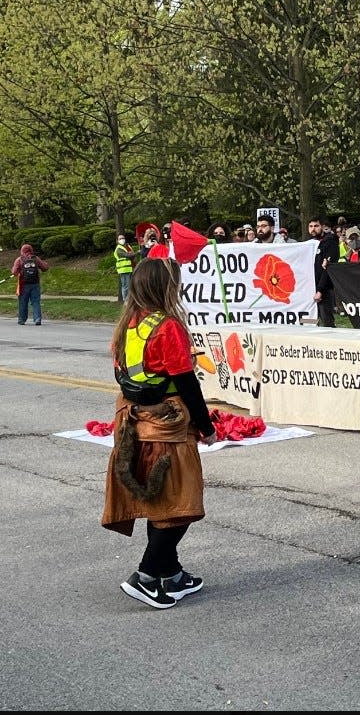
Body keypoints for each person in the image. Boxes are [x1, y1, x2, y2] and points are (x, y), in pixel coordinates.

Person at [101, 258, 218, 608]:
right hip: (166, 427)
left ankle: (173, 573)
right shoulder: (167, 327)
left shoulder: (127, 325)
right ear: (166, 288)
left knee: (159, 501)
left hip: (134, 423)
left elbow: (123, 376)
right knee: (181, 502)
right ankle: (148, 574)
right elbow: (186, 382)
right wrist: (206, 426)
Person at [307, 217, 339, 327]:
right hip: (309, 289)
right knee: (309, 321)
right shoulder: (308, 244)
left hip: (324, 289)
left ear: (322, 227)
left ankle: (333, 343)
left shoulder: (329, 242)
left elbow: (327, 269)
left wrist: (320, 290)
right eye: (311, 226)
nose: (313, 229)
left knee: (327, 322)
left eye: (316, 226)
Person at [12, 243, 49, 326]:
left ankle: (22, 320)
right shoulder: (35, 258)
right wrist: (46, 264)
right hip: (35, 284)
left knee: (23, 302)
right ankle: (37, 319)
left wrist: (19, 272)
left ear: (22, 251)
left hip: (23, 284)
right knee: (36, 302)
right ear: (31, 250)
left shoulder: (19, 259)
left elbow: (14, 272)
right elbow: (44, 268)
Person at [114, 234, 136, 302]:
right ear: (117, 240)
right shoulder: (118, 249)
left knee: (130, 285)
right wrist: (137, 253)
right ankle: (126, 300)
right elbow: (128, 255)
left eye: (123, 238)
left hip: (129, 268)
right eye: (120, 238)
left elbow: (131, 254)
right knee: (126, 285)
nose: (122, 239)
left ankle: (130, 299)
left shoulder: (127, 246)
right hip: (123, 270)